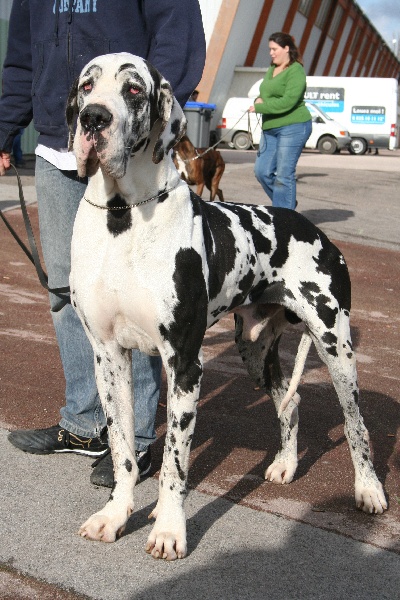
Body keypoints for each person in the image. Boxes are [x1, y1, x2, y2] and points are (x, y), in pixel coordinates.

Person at [0, 0, 206, 488]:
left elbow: (177, 35)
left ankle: (134, 438)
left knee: (138, 292)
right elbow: (23, 58)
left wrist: (149, 124)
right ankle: (87, 422)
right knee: (65, 289)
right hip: (58, 144)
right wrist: (5, 127)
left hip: (130, 153)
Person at [250, 32, 312, 210]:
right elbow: (264, 95)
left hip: (293, 126)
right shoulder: (272, 68)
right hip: (270, 127)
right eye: (270, 49)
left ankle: (285, 216)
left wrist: (260, 106)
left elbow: (288, 101)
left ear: (286, 48)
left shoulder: (296, 71)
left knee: (284, 175)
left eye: (274, 49)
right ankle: (287, 204)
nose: (271, 53)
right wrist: (257, 101)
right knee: (261, 172)